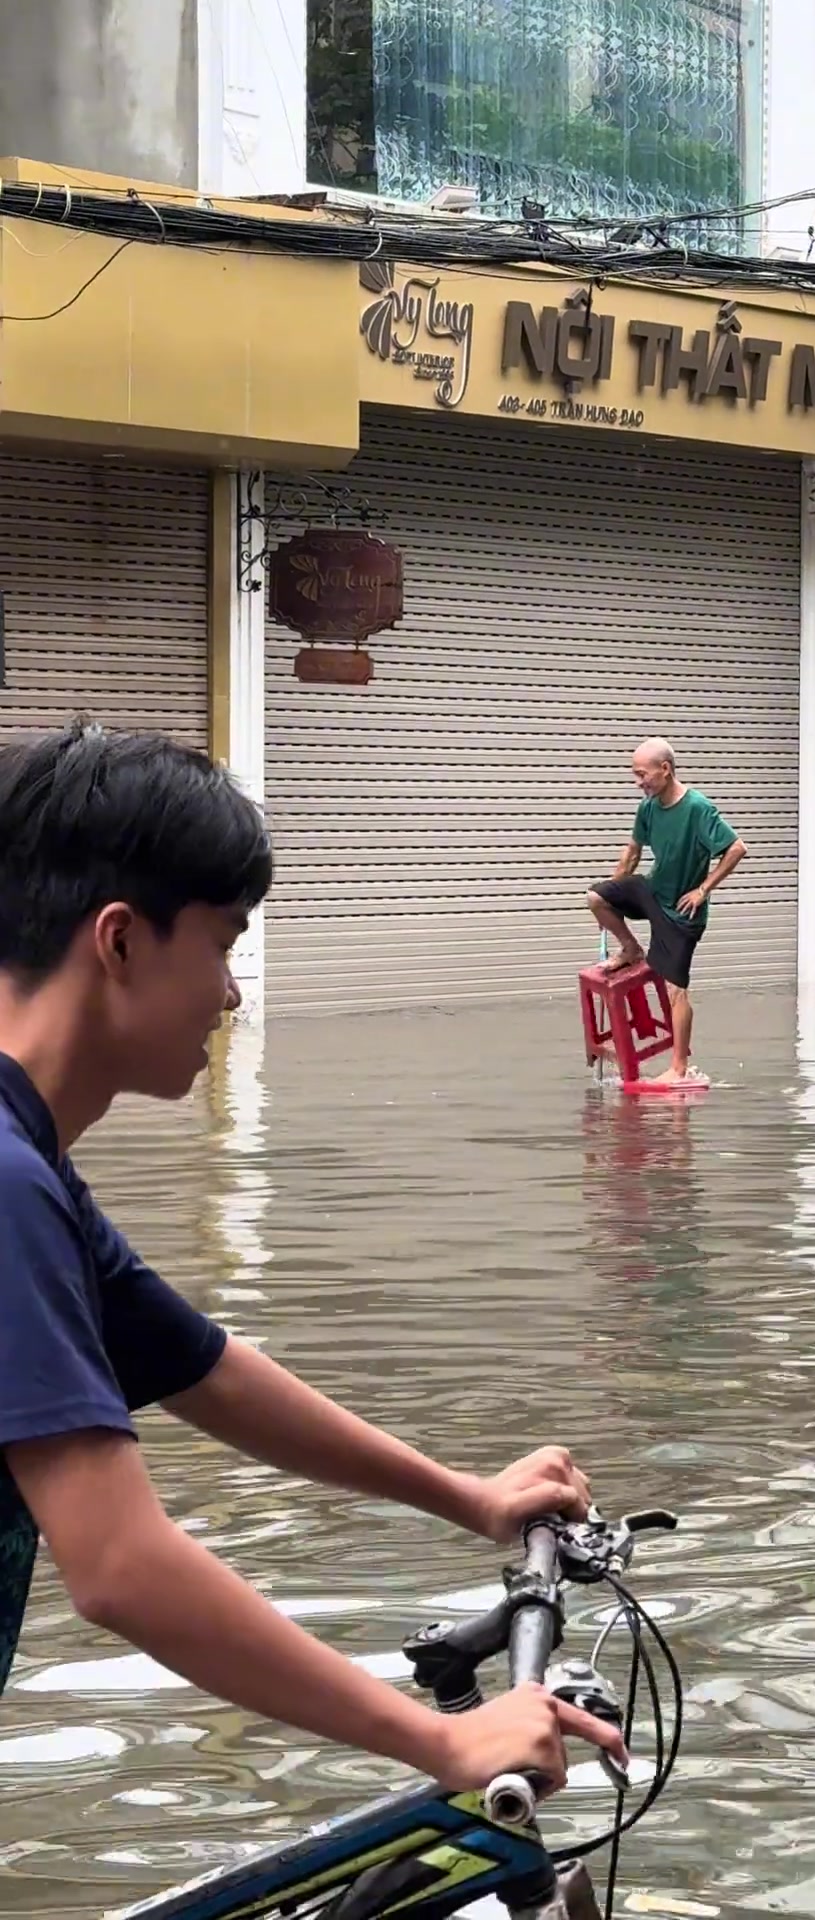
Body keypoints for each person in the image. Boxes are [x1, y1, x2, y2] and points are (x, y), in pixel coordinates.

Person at [0, 720, 625, 1796]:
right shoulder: (6, 1184)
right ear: (120, 941)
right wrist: (440, 1740)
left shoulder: (32, 1174)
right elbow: (116, 1567)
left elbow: (203, 1368)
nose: (232, 996)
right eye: (224, 945)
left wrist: (467, 1496)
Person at [587, 738, 746, 1086]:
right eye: (634, 775)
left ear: (665, 770)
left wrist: (703, 889)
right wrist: (614, 892)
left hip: (682, 911)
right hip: (652, 891)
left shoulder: (698, 808)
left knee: (675, 989)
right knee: (596, 898)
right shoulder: (647, 807)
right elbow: (631, 855)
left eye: (642, 774)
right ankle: (631, 948)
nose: (638, 782)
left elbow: (736, 848)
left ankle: (678, 1068)